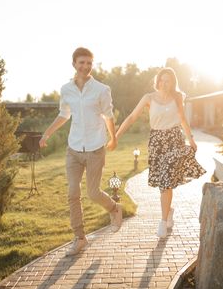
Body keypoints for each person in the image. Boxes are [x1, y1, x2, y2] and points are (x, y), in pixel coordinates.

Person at [39, 47, 122, 256]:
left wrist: (113, 138)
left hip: (95, 148)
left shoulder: (102, 89)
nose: (85, 66)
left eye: (89, 63)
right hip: (74, 148)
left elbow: (108, 116)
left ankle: (114, 208)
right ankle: (80, 238)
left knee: (93, 193)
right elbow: (64, 115)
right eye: (81, 62)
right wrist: (47, 133)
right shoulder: (66, 89)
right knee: (72, 192)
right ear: (74, 64)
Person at [116, 67, 206, 238]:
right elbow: (132, 117)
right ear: (158, 81)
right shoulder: (148, 98)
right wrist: (116, 136)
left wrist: (191, 139)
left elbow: (182, 118)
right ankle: (169, 211)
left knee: (166, 180)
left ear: (173, 82)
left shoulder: (178, 97)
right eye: (162, 80)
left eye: (168, 81)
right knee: (163, 182)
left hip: (174, 140)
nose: (165, 84)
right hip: (157, 142)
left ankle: (163, 222)